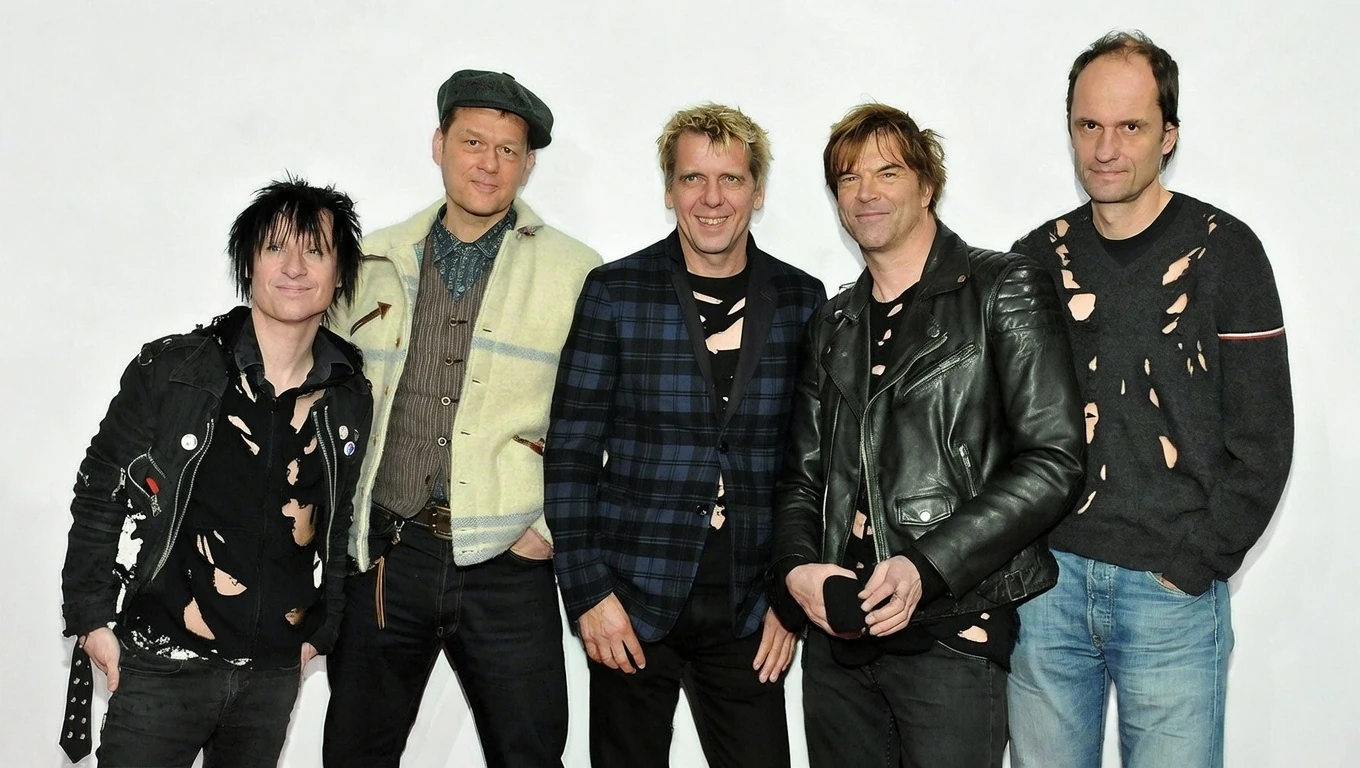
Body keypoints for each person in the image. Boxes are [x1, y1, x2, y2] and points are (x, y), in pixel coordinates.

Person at [1007, 31, 1295, 768]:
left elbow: (1264, 436)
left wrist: (1197, 563)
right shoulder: (1035, 260)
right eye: (1089, 125)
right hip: (1048, 590)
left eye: (1130, 126)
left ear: (1169, 135)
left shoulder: (1226, 252)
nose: (1106, 148)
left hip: (1173, 596)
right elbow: (1002, 424)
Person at [769, 102, 1085, 768]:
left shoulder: (1003, 287)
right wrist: (798, 572)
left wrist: (926, 566)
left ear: (927, 185)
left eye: (888, 172)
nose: (867, 192)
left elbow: (1053, 461)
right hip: (839, 640)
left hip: (952, 632)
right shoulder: (833, 322)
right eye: (849, 178)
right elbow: (802, 476)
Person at [321, 69, 601, 768]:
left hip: (509, 562)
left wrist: (548, 530)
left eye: (508, 150)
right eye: (473, 142)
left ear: (529, 165)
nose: (489, 163)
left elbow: (604, 418)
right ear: (438, 145)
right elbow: (321, 401)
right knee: (355, 753)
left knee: (530, 754)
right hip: (388, 554)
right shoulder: (373, 259)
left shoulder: (577, 272)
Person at [545, 103, 824, 768]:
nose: (712, 198)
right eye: (693, 178)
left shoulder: (801, 299)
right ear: (669, 190)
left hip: (750, 605)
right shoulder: (615, 292)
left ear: (757, 191)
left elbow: (815, 464)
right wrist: (588, 595)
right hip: (630, 603)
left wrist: (791, 598)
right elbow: (571, 452)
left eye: (731, 179)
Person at [59, 177, 372, 767]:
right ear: (248, 264)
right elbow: (100, 490)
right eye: (275, 247)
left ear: (339, 275)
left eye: (315, 250)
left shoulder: (348, 394)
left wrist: (320, 630)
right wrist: (91, 618)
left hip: (271, 677)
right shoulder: (175, 369)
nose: (295, 266)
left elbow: (339, 520)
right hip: (161, 663)